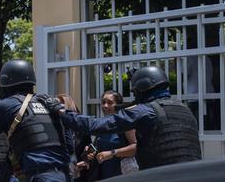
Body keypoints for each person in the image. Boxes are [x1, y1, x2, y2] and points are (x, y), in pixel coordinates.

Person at [54, 65, 201, 170]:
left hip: (161, 180)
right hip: (191, 176)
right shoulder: (183, 109)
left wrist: (62, 112)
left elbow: (95, 125)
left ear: (141, 90)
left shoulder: (145, 111)